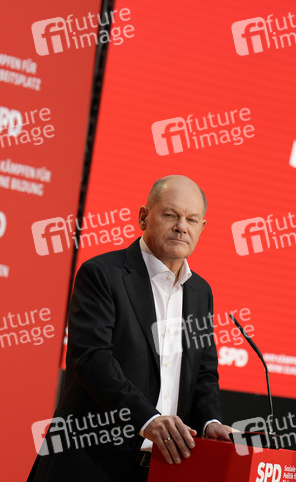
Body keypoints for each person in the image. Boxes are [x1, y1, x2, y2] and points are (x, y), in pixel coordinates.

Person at [29, 175, 233, 482]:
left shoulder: (200, 292)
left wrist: (210, 422)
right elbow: (93, 360)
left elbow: (204, 373)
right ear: (143, 217)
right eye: (170, 215)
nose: (181, 227)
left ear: (202, 228)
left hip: (163, 470)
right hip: (91, 463)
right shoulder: (102, 274)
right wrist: (147, 419)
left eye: (192, 219)